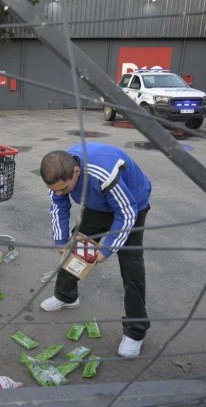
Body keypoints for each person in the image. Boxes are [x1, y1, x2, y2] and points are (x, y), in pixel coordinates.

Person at [39, 143, 151, 358]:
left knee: (131, 265)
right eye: (55, 189)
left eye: (64, 188)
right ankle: (67, 295)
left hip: (133, 204)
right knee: (76, 247)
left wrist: (108, 248)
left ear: (76, 172)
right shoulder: (59, 177)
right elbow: (58, 206)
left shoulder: (103, 173)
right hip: (97, 204)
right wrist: (60, 240)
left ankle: (136, 332)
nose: (60, 193)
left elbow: (125, 214)